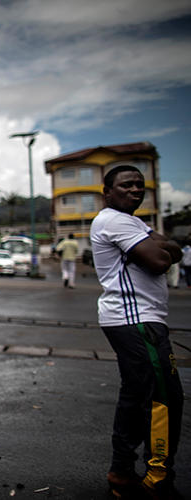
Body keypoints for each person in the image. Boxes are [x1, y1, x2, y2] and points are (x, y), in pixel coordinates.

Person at [89, 165, 184, 499]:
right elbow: (159, 260)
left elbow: (165, 249)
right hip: (136, 321)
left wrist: (164, 248)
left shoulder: (132, 223)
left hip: (135, 320)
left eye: (139, 185)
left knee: (136, 396)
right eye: (126, 185)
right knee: (163, 398)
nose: (134, 190)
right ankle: (158, 477)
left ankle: (123, 472)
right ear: (108, 192)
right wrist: (166, 249)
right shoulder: (114, 220)